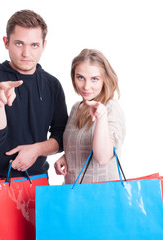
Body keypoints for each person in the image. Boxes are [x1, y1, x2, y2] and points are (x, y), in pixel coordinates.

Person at [0, 10, 68, 179]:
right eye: (19, 44)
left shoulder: (52, 85)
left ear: (43, 45)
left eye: (34, 45)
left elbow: (61, 137)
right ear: (6, 42)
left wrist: (36, 150)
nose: (26, 53)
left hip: (38, 179)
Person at [54, 49, 126, 184]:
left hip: (101, 196)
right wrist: (67, 156)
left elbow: (103, 157)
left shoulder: (110, 108)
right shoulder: (77, 107)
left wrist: (102, 117)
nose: (86, 86)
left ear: (105, 79)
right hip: (73, 193)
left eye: (94, 79)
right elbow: (81, 142)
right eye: (80, 77)